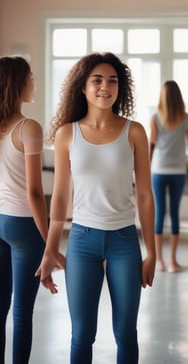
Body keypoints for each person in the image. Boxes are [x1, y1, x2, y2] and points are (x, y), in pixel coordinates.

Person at [36, 52, 156, 364]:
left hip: (125, 242)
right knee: (82, 334)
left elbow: (145, 194)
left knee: (126, 332)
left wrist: (152, 252)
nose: (106, 86)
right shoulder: (67, 134)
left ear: (121, 88)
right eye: (97, 80)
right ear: (83, 87)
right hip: (82, 241)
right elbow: (60, 198)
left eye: (113, 80)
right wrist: (50, 250)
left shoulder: (135, 132)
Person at [0, 55, 51, 364]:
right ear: (18, 82)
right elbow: (34, 192)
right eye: (31, 76)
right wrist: (48, 240)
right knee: (22, 311)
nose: (35, 81)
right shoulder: (28, 127)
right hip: (22, 225)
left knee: (0, 307)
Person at [150, 80, 188, 273]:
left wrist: (144, 170)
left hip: (158, 170)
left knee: (160, 214)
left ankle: (159, 261)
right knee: (174, 215)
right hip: (178, 171)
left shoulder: (155, 118)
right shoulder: (186, 118)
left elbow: (150, 147)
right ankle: (172, 262)